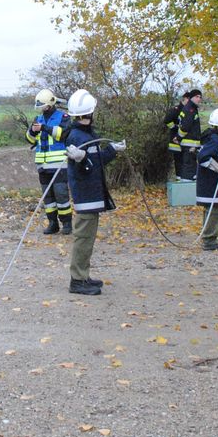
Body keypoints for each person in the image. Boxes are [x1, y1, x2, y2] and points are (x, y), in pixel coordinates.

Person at [64, 89, 125, 296]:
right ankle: (77, 281)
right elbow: (85, 168)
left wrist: (112, 151)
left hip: (93, 194)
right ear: (89, 112)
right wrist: (81, 160)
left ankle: (83, 275)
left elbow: (96, 161)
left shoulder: (88, 134)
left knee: (88, 238)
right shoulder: (76, 136)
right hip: (85, 195)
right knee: (83, 237)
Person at [25, 88, 72, 235]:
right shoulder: (38, 119)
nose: (41, 109)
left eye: (42, 106)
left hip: (59, 165)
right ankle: (52, 223)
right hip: (42, 165)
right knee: (48, 197)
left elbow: (63, 134)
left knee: (61, 195)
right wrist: (33, 131)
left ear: (50, 105)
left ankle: (67, 224)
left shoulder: (63, 117)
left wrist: (45, 128)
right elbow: (29, 139)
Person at [195, 107, 218, 251]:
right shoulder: (216, 141)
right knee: (214, 211)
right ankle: (210, 240)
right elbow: (203, 157)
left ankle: (208, 237)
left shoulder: (209, 137)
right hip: (212, 183)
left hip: (208, 182)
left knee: (210, 210)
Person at [177, 89, 203, 180]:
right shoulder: (190, 109)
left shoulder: (191, 108)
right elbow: (185, 127)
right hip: (189, 144)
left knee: (191, 168)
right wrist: (178, 137)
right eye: (197, 97)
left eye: (200, 97)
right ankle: (185, 189)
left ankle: (188, 188)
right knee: (189, 168)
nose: (199, 99)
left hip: (190, 143)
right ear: (191, 97)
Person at [163, 92, 188, 181]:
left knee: (185, 161)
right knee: (178, 161)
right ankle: (179, 179)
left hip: (184, 140)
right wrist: (174, 127)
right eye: (188, 99)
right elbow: (167, 120)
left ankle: (183, 180)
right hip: (175, 140)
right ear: (184, 99)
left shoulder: (188, 110)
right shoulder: (176, 109)